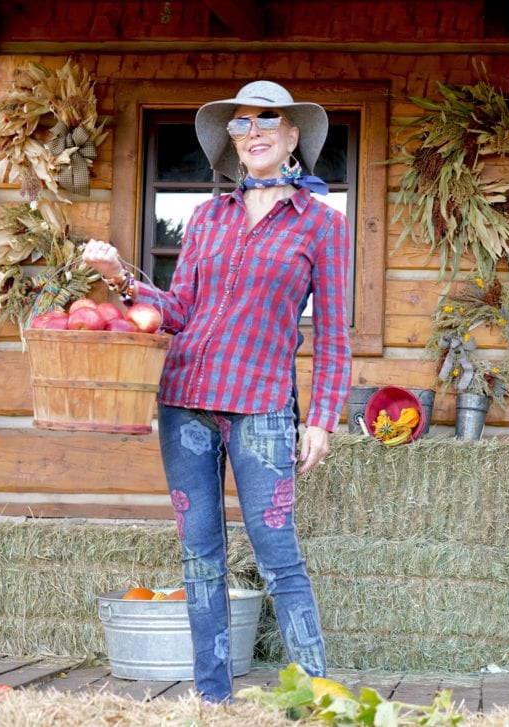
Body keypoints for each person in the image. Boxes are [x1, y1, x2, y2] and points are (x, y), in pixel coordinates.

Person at [82, 81, 351, 702]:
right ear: (231, 143)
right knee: (200, 556)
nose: (252, 132)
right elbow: (177, 310)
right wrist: (119, 276)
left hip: (260, 406)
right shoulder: (207, 218)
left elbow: (334, 335)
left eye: (267, 121)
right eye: (239, 124)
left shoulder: (321, 226)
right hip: (185, 404)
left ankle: (319, 697)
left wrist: (321, 419)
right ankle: (213, 698)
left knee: (278, 554)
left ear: (292, 137)